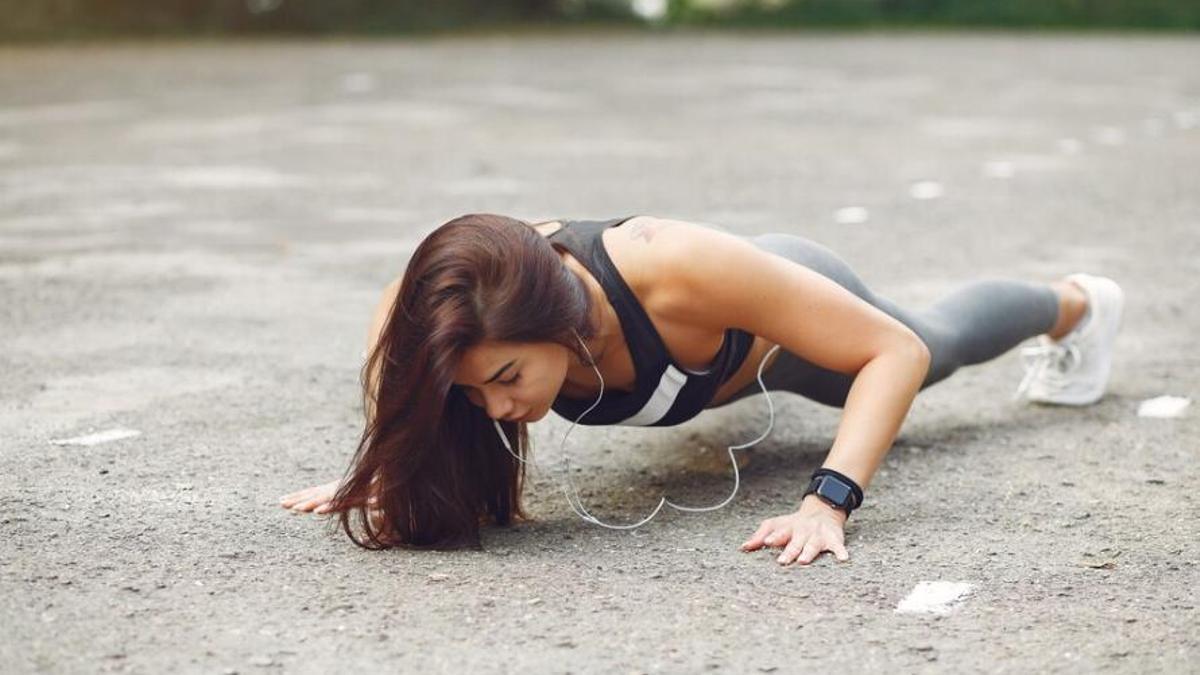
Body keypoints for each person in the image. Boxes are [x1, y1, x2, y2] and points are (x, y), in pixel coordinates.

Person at [278, 214, 1124, 565]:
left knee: (935, 347)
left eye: (506, 378)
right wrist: (395, 469)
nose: (497, 407)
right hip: (712, 365)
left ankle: (1077, 302)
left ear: (557, 320)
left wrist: (827, 502)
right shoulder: (437, 309)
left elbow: (892, 352)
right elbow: (412, 390)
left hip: (779, 316)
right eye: (475, 394)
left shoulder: (674, 270)